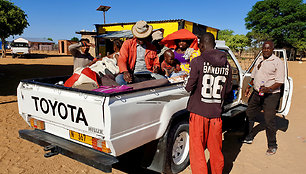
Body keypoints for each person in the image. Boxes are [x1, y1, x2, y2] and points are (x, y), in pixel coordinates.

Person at [185, 32, 232, 174]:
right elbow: (228, 89)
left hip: (198, 113)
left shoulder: (197, 61)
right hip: (216, 115)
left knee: (197, 150)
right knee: (216, 149)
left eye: (199, 45)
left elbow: (189, 87)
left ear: (202, 45)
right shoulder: (227, 64)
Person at [243, 40, 285, 156]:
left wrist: (268, 89)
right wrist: (249, 87)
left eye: (268, 48)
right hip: (257, 93)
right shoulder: (260, 59)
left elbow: (280, 82)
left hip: (271, 95)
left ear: (272, 49)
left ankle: (272, 145)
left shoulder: (277, 62)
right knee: (249, 114)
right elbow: (254, 76)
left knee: (269, 119)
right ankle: (249, 136)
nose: (265, 50)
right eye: (264, 48)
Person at [115, 20, 165, 85]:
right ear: (136, 36)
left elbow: (156, 62)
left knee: (163, 80)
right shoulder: (127, 44)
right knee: (119, 79)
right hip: (133, 74)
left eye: (143, 38)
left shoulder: (152, 47)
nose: (141, 41)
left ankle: (135, 87)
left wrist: (156, 67)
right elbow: (122, 59)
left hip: (149, 74)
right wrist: (125, 72)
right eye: (139, 38)